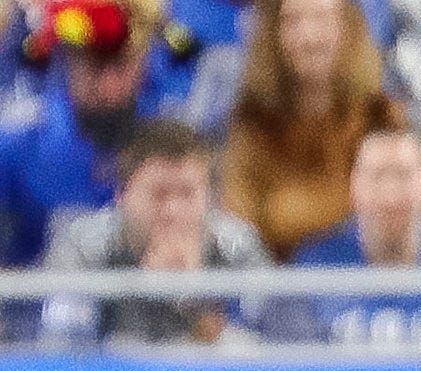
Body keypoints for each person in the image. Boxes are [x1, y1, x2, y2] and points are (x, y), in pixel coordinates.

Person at [0, 0, 198, 267]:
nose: (108, 87)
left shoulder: (176, 140)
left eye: (122, 65)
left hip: (150, 298)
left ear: (146, 60)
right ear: (66, 58)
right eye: (94, 66)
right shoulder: (18, 140)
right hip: (38, 299)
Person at [39, 116, 268, 346]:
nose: (172, 211)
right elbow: (63, 348)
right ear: (121, 195)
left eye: (187, 193)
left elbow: (266, 349)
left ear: (209, 197)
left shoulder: (237, 246)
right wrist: (140, 288)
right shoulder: (83, 247)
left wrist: (193, 297)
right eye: (158, 194)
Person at [220, 0, 402, 259]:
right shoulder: (252, 125)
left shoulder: (382, 118)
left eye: (322, 19)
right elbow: (240, 228)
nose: (308, 37)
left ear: (349, 28)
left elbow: (400, 213)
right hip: (277, 285)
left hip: (369, 283)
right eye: (292, 21)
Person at [292, 126, 421, 344]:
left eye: (403, 175)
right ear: (354, 185)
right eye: (377, 176)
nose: (391, 196)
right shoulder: (316, 267)